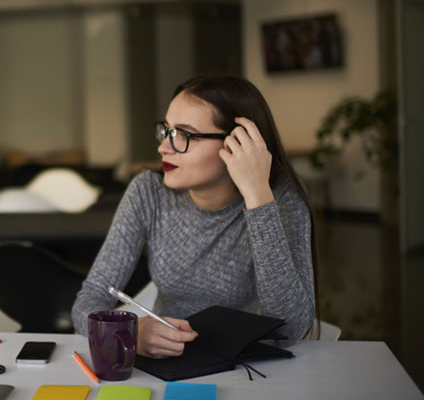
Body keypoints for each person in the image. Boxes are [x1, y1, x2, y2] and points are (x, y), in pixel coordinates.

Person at [72, 75, 316, 359]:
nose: (164, 147)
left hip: (242, 367)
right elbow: (87, 301)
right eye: (167, 131)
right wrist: (130, 333)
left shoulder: (278, 198)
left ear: (238, 144)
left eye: (184, 135)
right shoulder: (148, 193)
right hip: (163, 368)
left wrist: (257, 197)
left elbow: (291, 330)